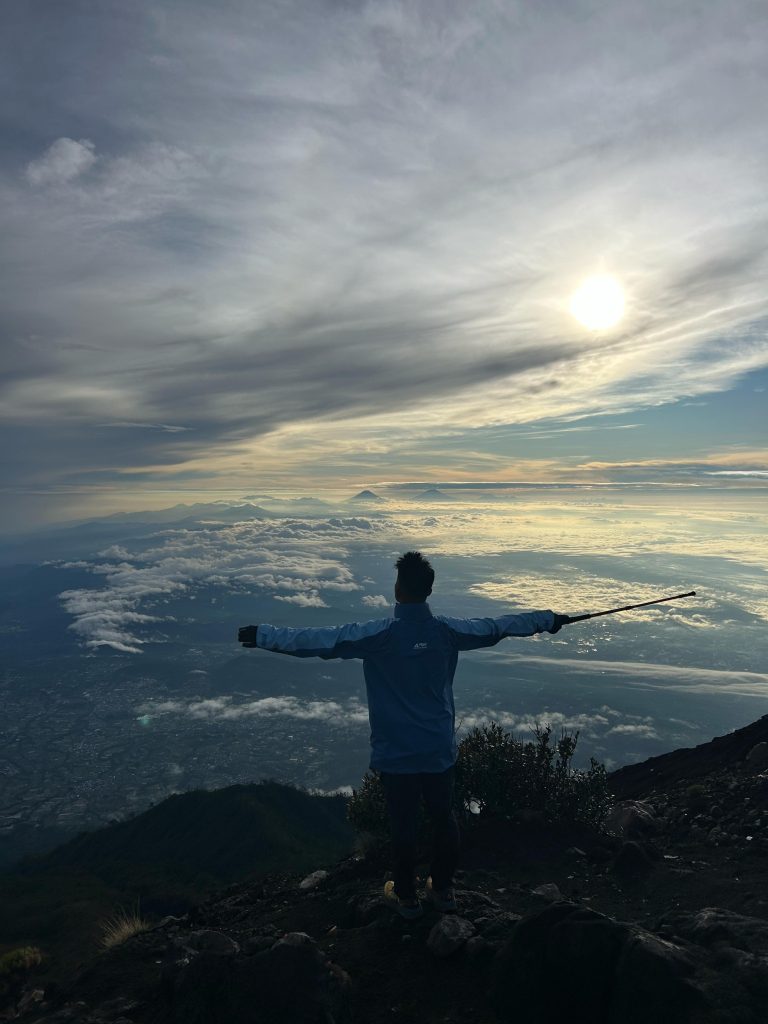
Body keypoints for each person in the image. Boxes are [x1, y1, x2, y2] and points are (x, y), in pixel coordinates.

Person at [238, 551, 569, 919]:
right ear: (429, 589)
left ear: (398, 589)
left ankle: (407, 897)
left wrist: (263, 635)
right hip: (437, 749)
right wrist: (549, 620)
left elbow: (320, 641)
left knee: (404, 825)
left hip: (397, 753)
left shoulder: (378, 636)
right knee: (445, 819)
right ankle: (443, 891)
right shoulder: (447, 632)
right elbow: (500, 625)